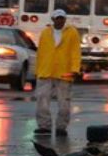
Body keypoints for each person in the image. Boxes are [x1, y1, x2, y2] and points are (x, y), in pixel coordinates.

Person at [34, 9, 81, 137]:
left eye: (62, 18)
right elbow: (41, 53)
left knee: (64, 103)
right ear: (53, 20)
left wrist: (75, 69)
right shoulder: (45, 32)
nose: (60, 20)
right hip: (46, 71)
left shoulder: (72, 33)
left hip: (64, 73)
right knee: (42, 100)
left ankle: (61, 127)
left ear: (65, 19)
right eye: (57, 18)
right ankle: (44, 126)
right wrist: (37, 71)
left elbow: (75, 52)